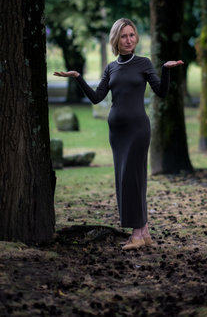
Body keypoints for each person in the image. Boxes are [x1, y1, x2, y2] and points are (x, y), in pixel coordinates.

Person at [54, 18, 184, 250]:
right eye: (123, 36)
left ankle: (135, 234)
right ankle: (143, 233)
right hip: (117, 133)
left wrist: (165, 70)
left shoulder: (143, 63)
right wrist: (78, 78)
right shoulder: (111, 68)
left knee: (131, 180)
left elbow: (161, 92)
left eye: (132, 35)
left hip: (138, 131)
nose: (128, 40)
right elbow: (96, 98)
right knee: (127, 180)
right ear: (116, 39)